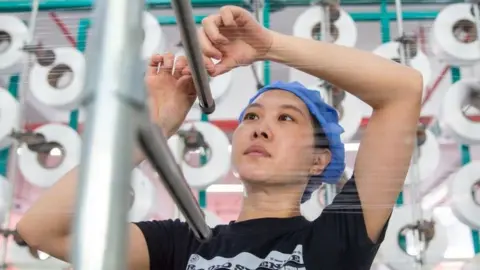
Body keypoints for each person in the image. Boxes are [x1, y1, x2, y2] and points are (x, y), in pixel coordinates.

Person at [16, 5, 422, 270]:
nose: (260, 127)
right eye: (251, 116)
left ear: (319, 160)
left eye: (286, 118)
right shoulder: (181, 245)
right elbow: (43, 230)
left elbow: (401, 89)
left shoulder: (336, 240)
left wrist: (269, 46)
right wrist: (151, 134)